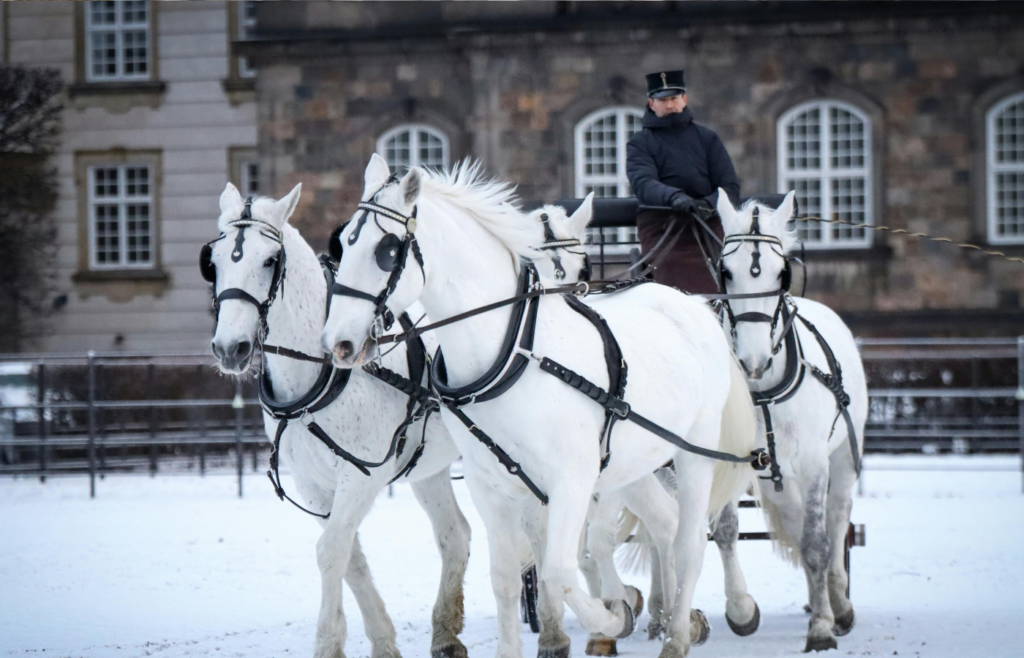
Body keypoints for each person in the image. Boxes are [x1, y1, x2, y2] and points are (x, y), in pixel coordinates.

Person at [626, 70, 740, 293]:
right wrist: (674, 198)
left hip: (708, 222)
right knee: (671, 266)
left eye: (674, 98)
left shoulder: (707, 138)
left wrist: (707, 204)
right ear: (652, 103)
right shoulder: (640, 142)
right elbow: (643, 182)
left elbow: (729, 186)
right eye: (662, 100)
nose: (669, 105)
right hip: (663, 224)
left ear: (684, 99)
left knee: (731, 266)